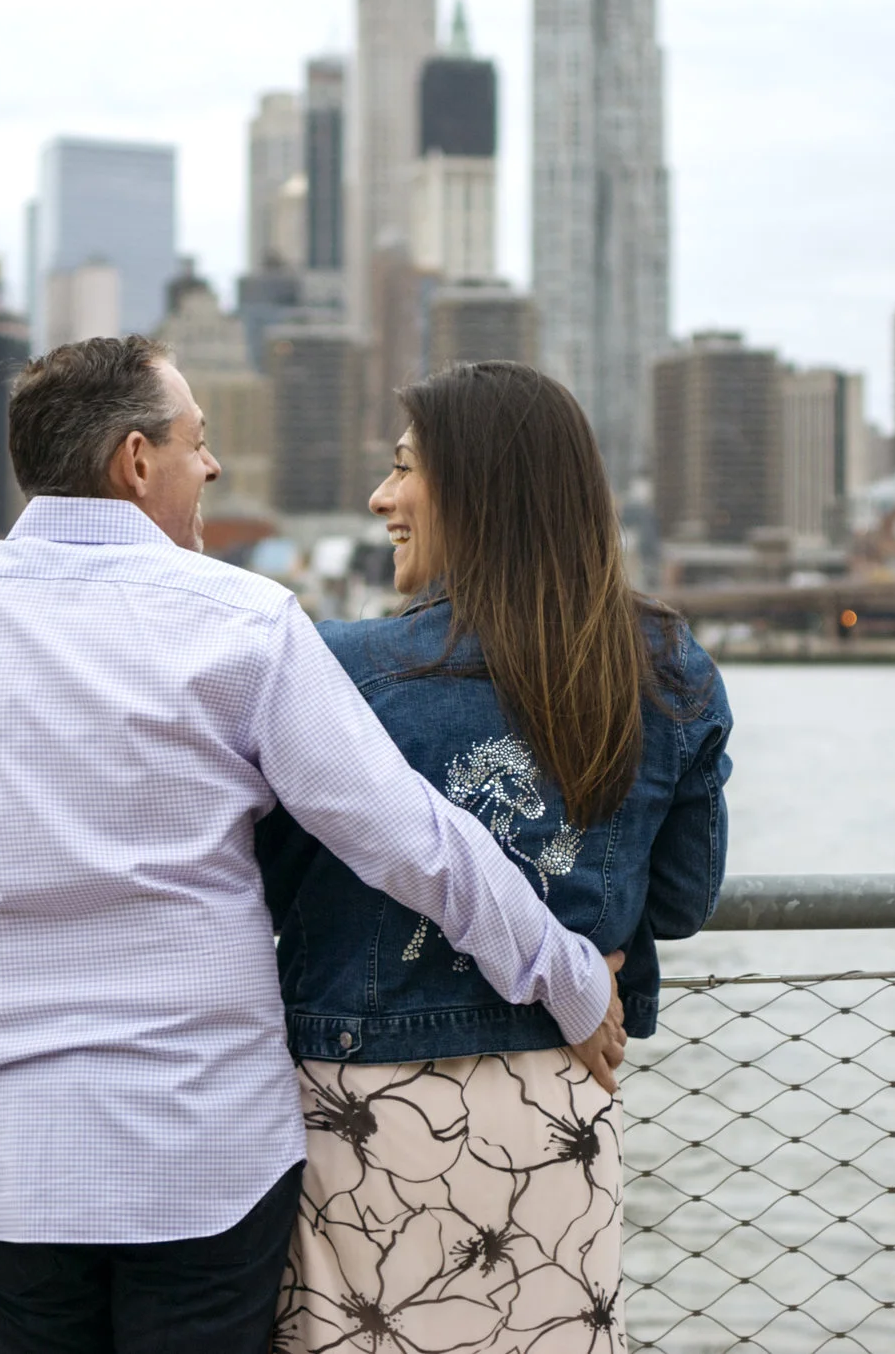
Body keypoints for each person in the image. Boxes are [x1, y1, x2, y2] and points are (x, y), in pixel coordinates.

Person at [0, 336, 625, 1354]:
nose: (210, 466)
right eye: (196, 442)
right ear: (135, 461)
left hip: (15, 1156)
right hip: (201, 1153)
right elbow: (409, 838)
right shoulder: (241, 619)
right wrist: (566, 975)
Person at [259, 360, 732, 1353]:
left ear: (475, 490)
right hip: (562, 1095)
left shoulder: (338, 669)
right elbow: (683, 901)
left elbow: (260, 882)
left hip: (361, 1108)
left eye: (403, 469)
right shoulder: (667, 666)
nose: (381, 497)